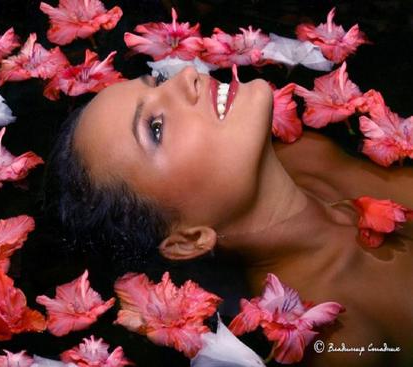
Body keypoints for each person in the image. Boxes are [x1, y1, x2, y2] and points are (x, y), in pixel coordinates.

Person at [45, 66, 413, 367]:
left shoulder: (309, 148)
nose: (186, 75)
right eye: (155, 128)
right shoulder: (339, 336)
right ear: (188, 239)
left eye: (157, 81)